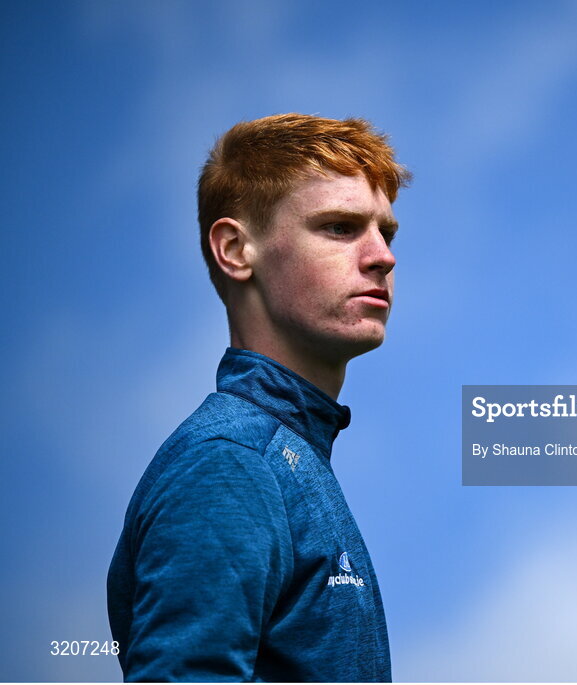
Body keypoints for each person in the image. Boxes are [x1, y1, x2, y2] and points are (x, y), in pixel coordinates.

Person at [106, 113, 411, 681]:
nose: (382, 256)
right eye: (340, 227)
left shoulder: (283, 457)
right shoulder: (231, 465)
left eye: (385, 232)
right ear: (236, 249)